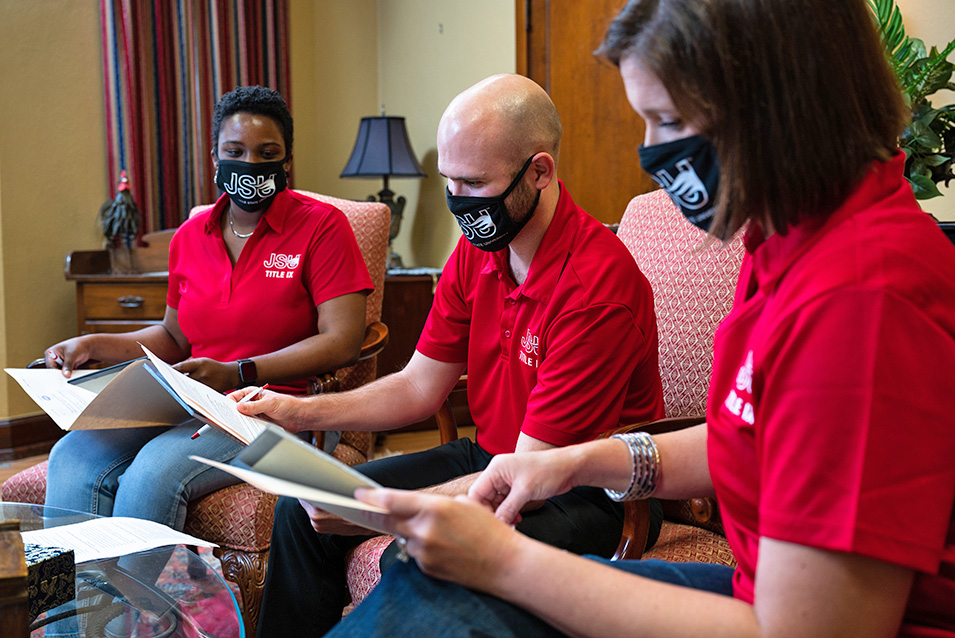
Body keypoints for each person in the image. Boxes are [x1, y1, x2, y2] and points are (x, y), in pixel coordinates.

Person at [318, 1, 955, 637]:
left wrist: (503, 561)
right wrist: (578, 462)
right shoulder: (790, 240)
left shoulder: (860, 300)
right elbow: (755, 433)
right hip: (755, 588)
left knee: (451, 600)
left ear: (781, 107)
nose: (649, 151)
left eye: (669, 119)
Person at [235, 73, 665, 636]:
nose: (457, 202)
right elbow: (418, 386)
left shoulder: (597, 288)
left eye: (474, 183)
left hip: (587, 491)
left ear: (540, 171)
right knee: (300, 512)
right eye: (448, 182)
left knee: (414, 553)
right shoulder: (478, 250)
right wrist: (293, 411)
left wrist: (377, 507)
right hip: (491, 456)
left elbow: (528, 477)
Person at [43, 85, 373, 532]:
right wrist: (92, 344)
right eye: (234, 151)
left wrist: (239, 372)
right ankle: (73, 603)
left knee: (151, 475)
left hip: (277, 411)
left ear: (287, 161)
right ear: (215, 158)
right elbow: (174, 338)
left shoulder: (322, 227)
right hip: (189, 403)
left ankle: (139, 606)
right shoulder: (191, 234)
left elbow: (343, 342)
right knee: (74, 454)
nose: (250, 165)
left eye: (267, 152)